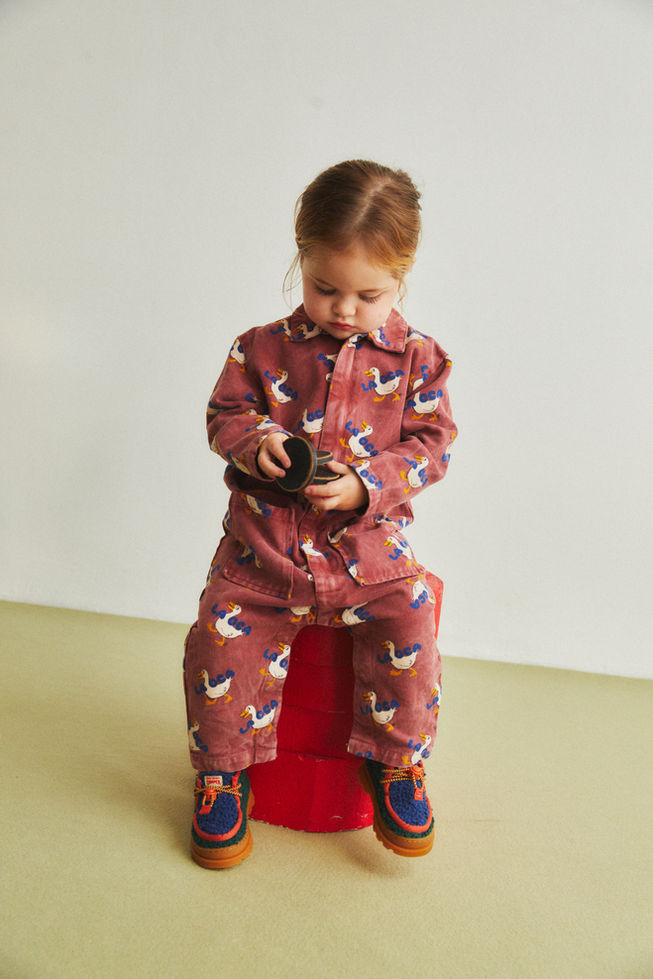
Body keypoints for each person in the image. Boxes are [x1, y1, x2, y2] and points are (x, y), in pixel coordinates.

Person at [183, 159, 457, 868]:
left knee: (412, 616)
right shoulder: (260, 348)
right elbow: (225, 414)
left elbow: (433, 445)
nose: (341, 308)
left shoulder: (419, 361)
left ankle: (396, 760)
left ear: (402, 276)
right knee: (220, 634)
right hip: (263, 555)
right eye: (322, 287)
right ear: (300, 259)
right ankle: (222, 772)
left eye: (367, 294)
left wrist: (368, 485)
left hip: (368, 557)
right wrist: (257, 442)